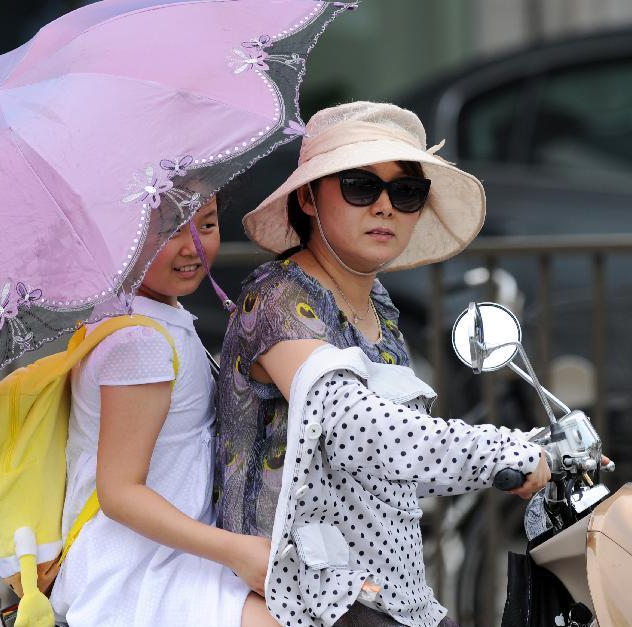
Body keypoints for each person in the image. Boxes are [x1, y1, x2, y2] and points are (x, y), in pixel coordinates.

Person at [214, 102, 551, 627]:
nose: (385, 207)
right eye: (359, 186)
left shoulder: (380, 308)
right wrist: (498, 449)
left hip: (392, 596)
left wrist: (535, 448)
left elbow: (399, 459)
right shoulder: (277, 301)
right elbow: (359, 428)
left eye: (406, 191)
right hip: (307, 597)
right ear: (308, 196)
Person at [49, 197, 278, 626]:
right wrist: (236, 550)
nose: (192, 245)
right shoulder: (140, 341)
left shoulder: (148, 314)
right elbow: (120, 493)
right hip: (139, 572)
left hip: (169, 556)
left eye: (206, 224)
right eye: (171, 229)